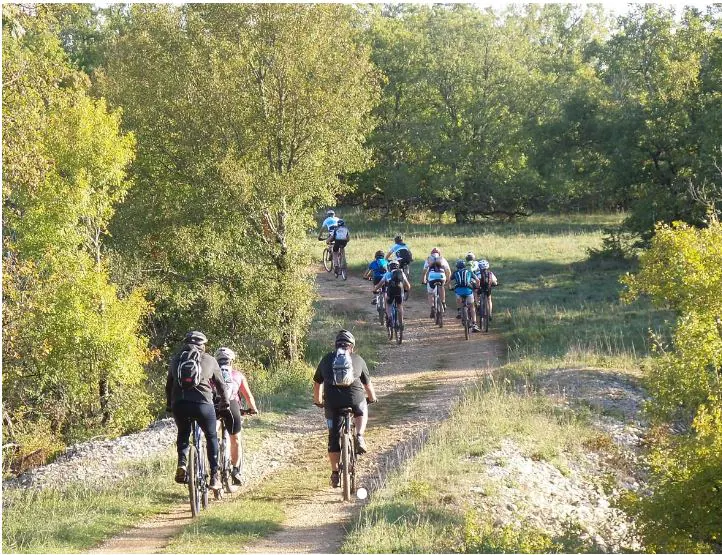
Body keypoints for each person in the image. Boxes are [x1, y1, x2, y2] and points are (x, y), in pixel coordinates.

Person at [166, 330, 230, 491]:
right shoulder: (209, 360)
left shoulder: (176, 360)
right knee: (211, 436)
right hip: (202, 404)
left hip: (179, 404)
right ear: (203, 345)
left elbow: (169, 385)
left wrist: (169, 404)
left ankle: (182, 463)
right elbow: (221, 385)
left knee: (183, 433)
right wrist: (225, 404)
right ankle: (214, 476)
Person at [313, 330, 377, 488]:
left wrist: (318, 400)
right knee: (362, 407)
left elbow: (317, 383)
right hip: (354, 400)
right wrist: (372, 398)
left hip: (332, 403)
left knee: (333, 437)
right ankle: (360, 436)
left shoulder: (327, 359)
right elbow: (367, 385)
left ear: (336, 346)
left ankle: (335, 473)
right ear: (352, 347)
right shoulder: (358, 359)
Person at [213, 347, 259, 486]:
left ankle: (212, 467)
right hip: (231, 405)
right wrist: (253, 409)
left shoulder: (211, 373)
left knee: (212, 435)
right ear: (231, 361)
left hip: (214, 405)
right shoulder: (237, 375)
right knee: (235, 439)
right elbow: (248, 396)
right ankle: (235, 471)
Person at [373, 259, 411, 329]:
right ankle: (401, 323)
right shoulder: (401, 273)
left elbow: (380, 284)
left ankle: (389, 318)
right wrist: (406, 290)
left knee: (388, 304)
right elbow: (408, 285)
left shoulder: (387, 274)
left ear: (389, 267)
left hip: (390, 291)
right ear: (398, 266)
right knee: (399, 306)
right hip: (399, 291)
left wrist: (374, 290)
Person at [449, 260, 480, 332]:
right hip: (468, 291)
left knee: (458, 300)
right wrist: (477, 287)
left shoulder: (455, 273)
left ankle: (459, 311)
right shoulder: (469, 272)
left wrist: (450, 288)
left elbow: (448, 281)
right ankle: (474, 324)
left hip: (458, 291)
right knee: (472, 307)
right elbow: (478, 280)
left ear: (457, 267)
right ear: (464, 266)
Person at [422, 248, 451, 317]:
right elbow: (448, 271)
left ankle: (432, 307)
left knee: (430, 293)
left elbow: (425, 270)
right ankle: (443, 302)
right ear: (439, 253)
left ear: (431, 253)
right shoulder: (442, 259)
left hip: (432, 277)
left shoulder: (429, 259)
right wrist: (448, 280)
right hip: (441, 276)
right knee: (442, 287)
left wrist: (423, 279)